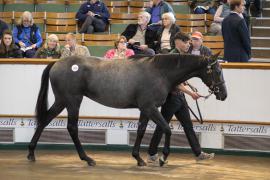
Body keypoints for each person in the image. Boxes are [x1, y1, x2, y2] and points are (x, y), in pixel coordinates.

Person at [148, 32, 215, 164]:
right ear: (178, 41)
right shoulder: (172, 57)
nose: (188, 45)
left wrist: (189, 87)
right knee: (162, 126)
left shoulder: (181, 56)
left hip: (179, 97)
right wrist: (191, 93)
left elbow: (181, 78)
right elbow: (174, 82)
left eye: (189, 42)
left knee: (187, 126)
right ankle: (151, 153)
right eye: (186, 42)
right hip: (171, 97)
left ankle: (198, 153)